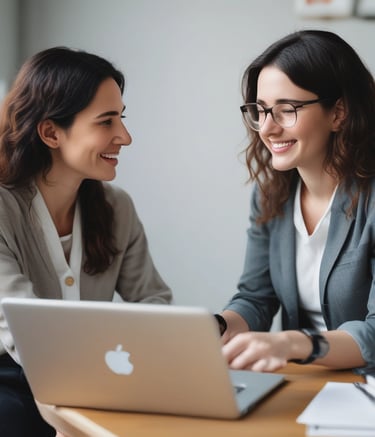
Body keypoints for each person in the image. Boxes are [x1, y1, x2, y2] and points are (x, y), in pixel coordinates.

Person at [0, 47, 172, 437]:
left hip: (97, 374)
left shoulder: (116, 208)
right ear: (50, 132)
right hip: (11, 380)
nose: (124, 136)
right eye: (106, 121)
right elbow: (23, 329)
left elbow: (154, 304)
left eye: (121, 118)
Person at [217, 30, 375, 373]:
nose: (267, 129)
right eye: (260, 111)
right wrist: (218, 327)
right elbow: (255, 298)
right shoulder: (271, 195)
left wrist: (292, 342)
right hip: (307, 384)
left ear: (338, 113)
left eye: (286, 110)